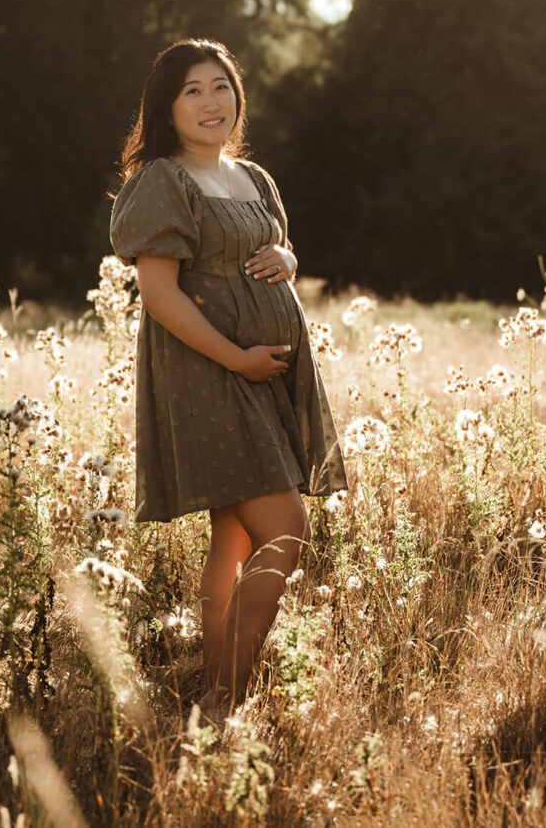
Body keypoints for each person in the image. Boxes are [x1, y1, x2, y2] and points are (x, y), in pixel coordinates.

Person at [109, 38, 348, 715]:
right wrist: (237, 356)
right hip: (209, 371)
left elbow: (273, 248)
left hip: (264, 376)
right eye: (193, 90)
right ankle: (229, 690)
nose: (211, 101)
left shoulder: (254, 177)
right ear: (167, 106)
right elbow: (159, 296)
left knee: (235, 535)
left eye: (221, 86)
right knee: (288, 528)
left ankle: (212, 689)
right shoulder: (162, 179)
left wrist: (286, 259)